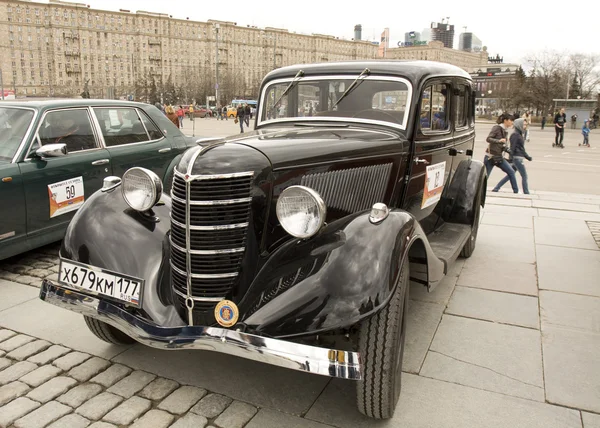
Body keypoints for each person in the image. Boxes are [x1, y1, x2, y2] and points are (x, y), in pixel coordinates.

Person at [493, 118, 532, 194]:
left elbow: (521, 148)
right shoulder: (515, 135)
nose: (525, 126)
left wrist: (527, 157)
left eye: (525, 124)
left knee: (510, 174)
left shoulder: (520, 134)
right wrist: (511, 158)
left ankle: (497, 188)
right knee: (524, 175)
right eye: (523, 124)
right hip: (517, 158)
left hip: (519, 157)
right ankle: (526, 192)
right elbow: (512, 147)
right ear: (519, 125)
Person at [484, 113, 519, 194]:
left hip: (499, 157)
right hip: (490, 157)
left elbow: (502, 145)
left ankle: (516, 191)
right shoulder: (497, 128)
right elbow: (488, 139)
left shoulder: (505, 130)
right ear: (505, 120)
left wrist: (508, 150)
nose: (512, 122)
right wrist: (498, 141)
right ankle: (479, 191)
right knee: (485, 177)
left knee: (511, 172)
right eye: (511, 120)